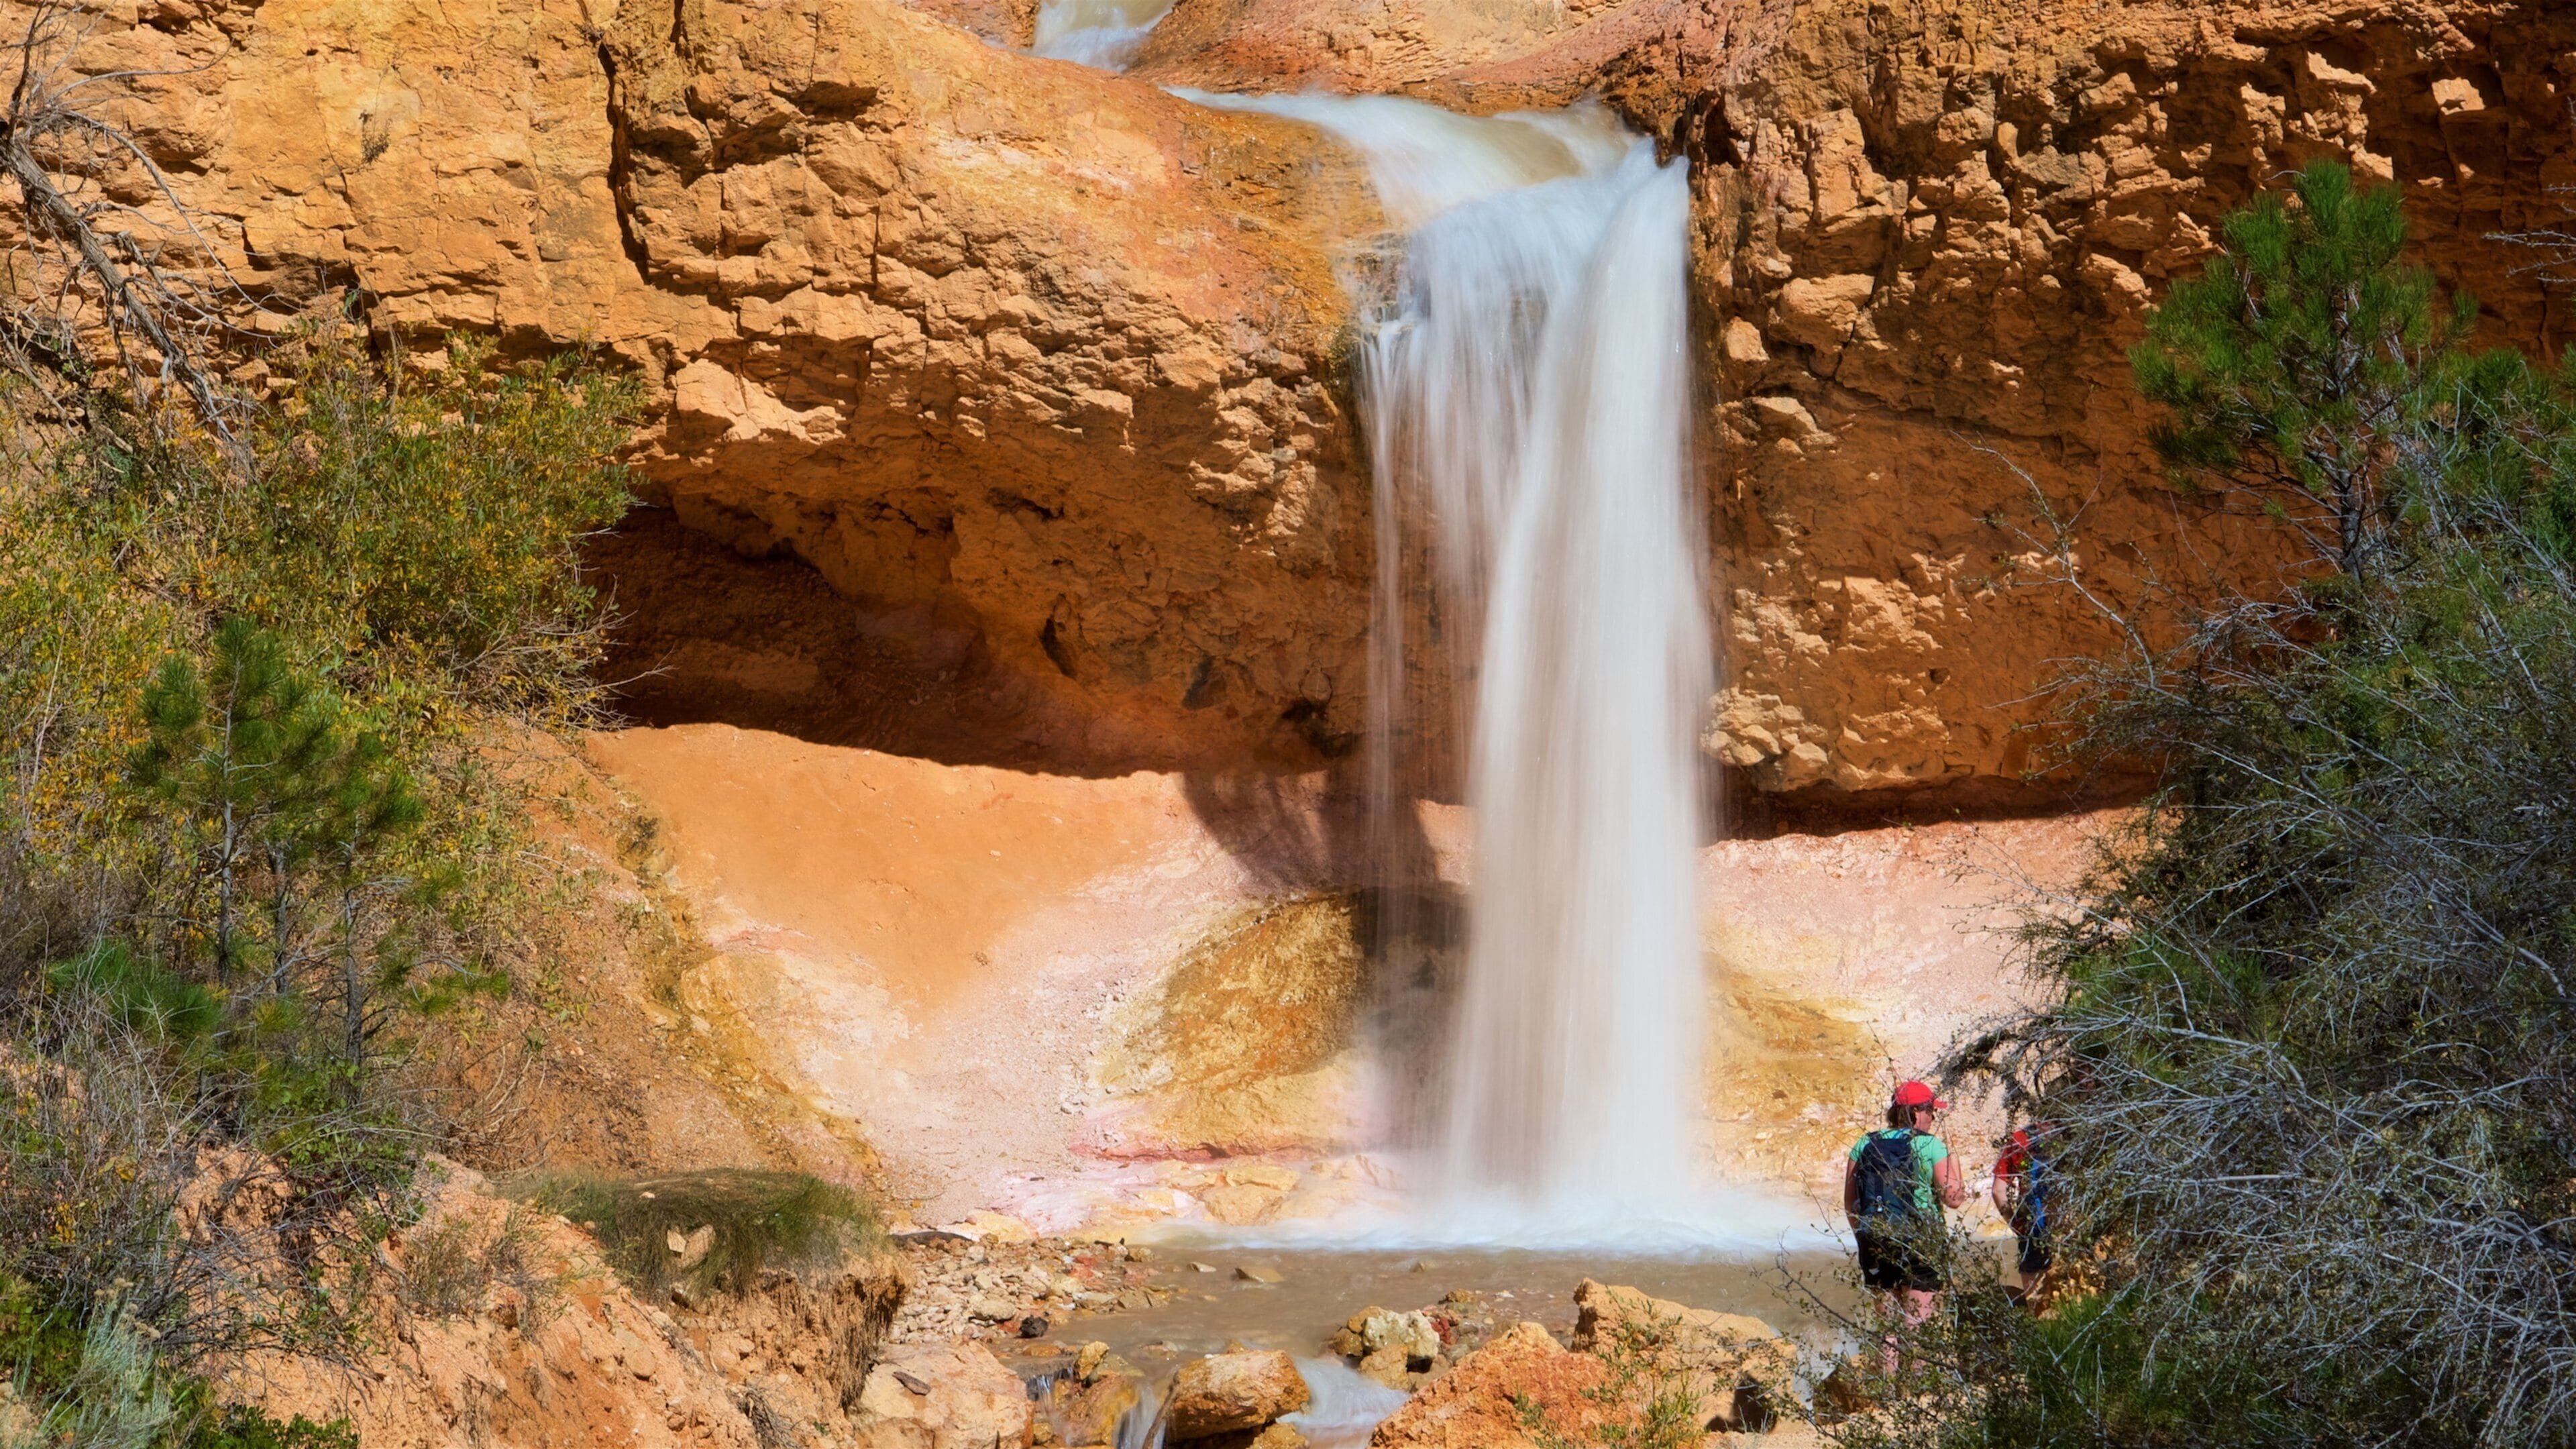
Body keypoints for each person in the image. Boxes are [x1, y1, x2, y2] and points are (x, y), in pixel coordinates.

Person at [1843, 1079, 1967, 1369]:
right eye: (1930, 1111)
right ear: (1916, 1113)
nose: (1933, 1117)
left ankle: (1888, 1398)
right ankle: (1918, 1398)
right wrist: (1956, 1166)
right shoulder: (1931, 1145)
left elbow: (1850, 1203)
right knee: (1917, 1324)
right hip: (1920, 1240)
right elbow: (1953, 1198)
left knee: (1888, 1330)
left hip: (1876, 1238)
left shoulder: (1865, 1143)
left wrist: (1865, 1238)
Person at [1991, 1119, 2058, 1308]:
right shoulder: (2076, 1133)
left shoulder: (2019, 1139)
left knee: (2038, 1304)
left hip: (2032, 1225)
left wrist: (2014, 1223)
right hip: (2068, 1225)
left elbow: (1998, 1191)